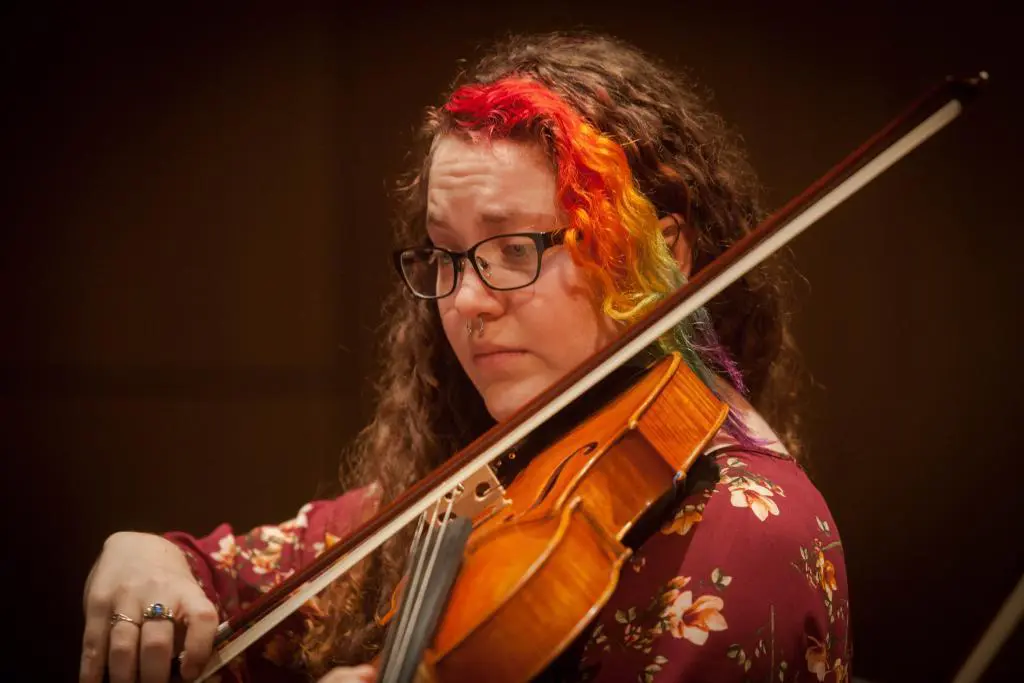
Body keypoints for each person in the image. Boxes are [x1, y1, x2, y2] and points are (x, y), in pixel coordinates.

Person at [79, 31, 851, 683]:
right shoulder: (492, 480)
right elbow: (227, 577)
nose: (466, 300)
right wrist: (148, 563)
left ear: (667, 253)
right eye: (446, 256)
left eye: (515, 248)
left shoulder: (748, 534)